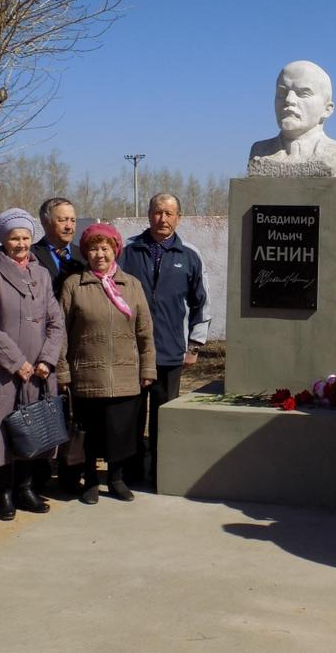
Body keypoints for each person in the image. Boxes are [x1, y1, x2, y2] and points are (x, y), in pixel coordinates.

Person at [0, 208, 65, 521]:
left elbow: (56, 320)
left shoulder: (41, 273)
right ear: (3, 240)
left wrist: (47, 359)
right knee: (1, 432)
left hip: (39, 369)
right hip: (2, 371)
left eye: (25, 237)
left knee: (32, 429)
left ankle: (25, 488)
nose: (21, 244)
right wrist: (16, 362)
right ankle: (3, 493)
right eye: (14, 238)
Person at [57, 223, 157, 503]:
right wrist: (62, 371)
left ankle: (115, 479)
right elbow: (60, 332)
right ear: (85, 252)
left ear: (115, 250)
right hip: (87, 375)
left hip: (126, 374)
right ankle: (90, 479)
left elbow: (145, 331)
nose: (99, 254)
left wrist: (148, 368)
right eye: (93, 248)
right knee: (90, 433)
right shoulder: (74, 285)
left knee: (121, 432)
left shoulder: (132, 285)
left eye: (105, 248)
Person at [119, 192, 210, 483]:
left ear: (179, 218)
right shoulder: (127, 251)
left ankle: (161, 473)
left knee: (163, 416)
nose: (163, 219)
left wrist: (194, 345)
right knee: (131, 416)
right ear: (148, 215)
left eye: (170, 214)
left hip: (170, 352)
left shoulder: (190, 255)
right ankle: (131, 473)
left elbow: (201, 303)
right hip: (130, 352)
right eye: (158, 212)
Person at [30, 197, 85, 493]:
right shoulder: (32, 255)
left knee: (74, 416)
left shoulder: (81, 256)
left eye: (72, 220)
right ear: (46, 222)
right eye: (62, 219)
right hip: (42, 348)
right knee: (45, 412)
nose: (69, 225)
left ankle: (70, 475)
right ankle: (38, 479)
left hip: (77, 348)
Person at [248, 60, 336, 178]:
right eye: (282, 93)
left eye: (303, 93)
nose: (289, 100)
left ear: (327, 109)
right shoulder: (260, 152)